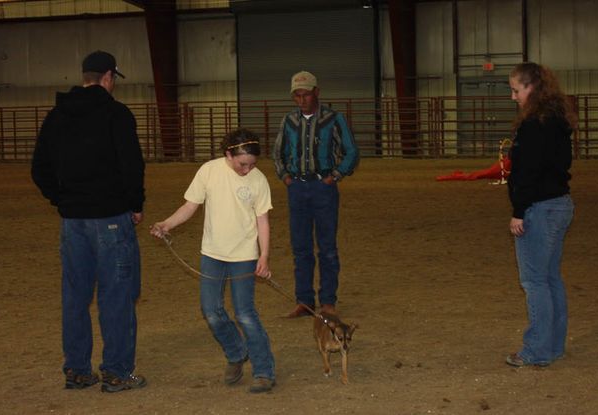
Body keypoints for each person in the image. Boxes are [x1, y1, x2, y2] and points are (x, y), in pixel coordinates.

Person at [31, 50, 147, 392]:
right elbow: (132, 166)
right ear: (109, 77)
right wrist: (135, 204)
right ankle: (116, 371)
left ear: (85, 76)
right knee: (117, 295)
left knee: (75, 296)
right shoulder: (116, 114)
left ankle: (77, 370)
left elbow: (39, 169)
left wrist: (62, 200)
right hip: (110, 216)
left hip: (72, 220)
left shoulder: (56, 116)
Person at [150, 129, 276, 393]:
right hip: (212, 254)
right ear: (228, 154)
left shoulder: (258, 180)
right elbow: (190, 206)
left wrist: (263, 256)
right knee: (211, 311)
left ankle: (264, 370)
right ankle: (236, 353)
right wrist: (167, 224)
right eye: (243, 164)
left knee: (245, 313)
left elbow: (262, 220)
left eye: (252, 164)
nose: (247, 169)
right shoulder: (209, 171)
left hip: (244, 255)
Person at [505, 62, 576, 367]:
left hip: (540, 208)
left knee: (534, 281)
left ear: (530, 88)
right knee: (549, 278)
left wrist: (519, 211)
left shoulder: (533, 125)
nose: (513, 97)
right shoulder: (558, 121)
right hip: (560, 204)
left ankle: (537, 350)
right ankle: (554, 345)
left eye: (516, 90)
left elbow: (528, 173)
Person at [273, 71, 359, 318]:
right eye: (297, 95)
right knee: (300, 247)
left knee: (327, 248)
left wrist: (335, 176)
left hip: (323, 188)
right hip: (297, 188)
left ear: (317, 92)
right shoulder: (288, 122)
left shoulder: (334, 120)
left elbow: (351, 152)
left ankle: (328, 301)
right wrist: (286, 178)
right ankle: (304, 301)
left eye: (306, 94)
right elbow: (277, 152)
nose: (302, 100)